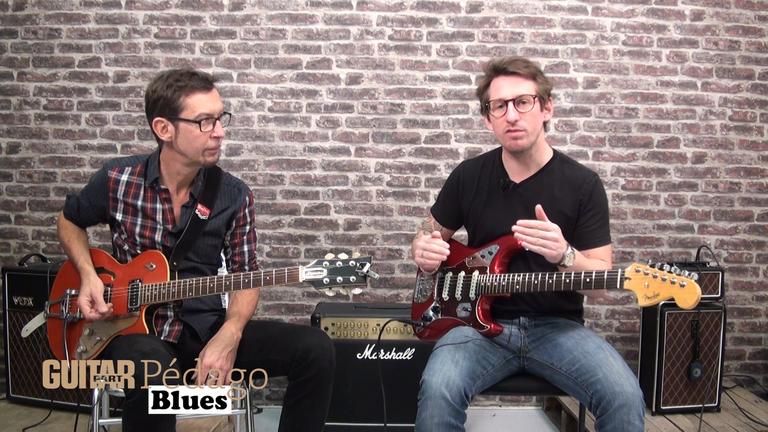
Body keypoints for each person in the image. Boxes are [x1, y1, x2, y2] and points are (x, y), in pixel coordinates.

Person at [57, 68, 335, 432]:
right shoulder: (117, 180)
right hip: (131, 332)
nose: (219, 132)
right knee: (152, 371)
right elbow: (69, 221)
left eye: (220, 118)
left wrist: (230, 333)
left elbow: (245, 275)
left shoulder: (233, 195)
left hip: (203, 327)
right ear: (164, 129)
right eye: (205, 121)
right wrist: (88, 275)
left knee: (316, 350)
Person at [410, 56, 645, 431]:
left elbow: (601, 284)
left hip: (558, 329)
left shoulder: (583, 185)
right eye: (499, 106)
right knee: (438, 389)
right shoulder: (468, 176)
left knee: (624, 397)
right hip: (475, 329)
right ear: (487, 119)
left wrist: (565, 255)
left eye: (523, 102)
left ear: (546, 108)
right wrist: (422, 249)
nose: (511, 116)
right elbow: (428, 233)